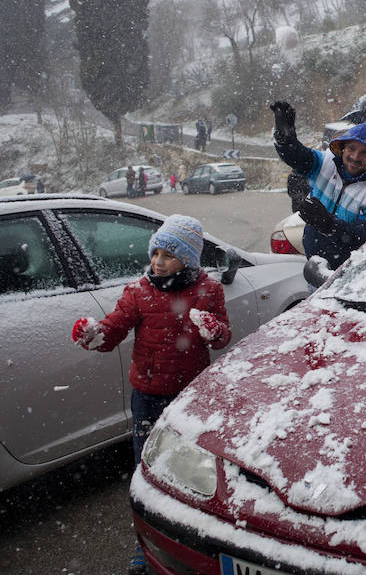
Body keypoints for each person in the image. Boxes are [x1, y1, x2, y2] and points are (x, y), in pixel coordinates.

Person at [70, 214, 230, 575]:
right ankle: (147, 543)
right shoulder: (139, 291)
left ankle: (194, 536)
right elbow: (114, 329)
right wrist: (96, 335)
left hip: (190, 395)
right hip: (148, 394)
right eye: (155, 252)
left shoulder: (209, 290)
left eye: (168, 255)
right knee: (148, 470)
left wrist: (213, 330)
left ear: (188, 259)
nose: (158, 261)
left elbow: (223, 336)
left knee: (195, 470)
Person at [270, 100, 366, 270]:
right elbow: (298, 157)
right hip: (314, 261)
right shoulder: (325, 162)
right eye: (351, 148)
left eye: (364, 152)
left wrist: (330, 225)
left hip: (349, 272)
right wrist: (286, 140)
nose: (355, 157)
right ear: (342, 148)